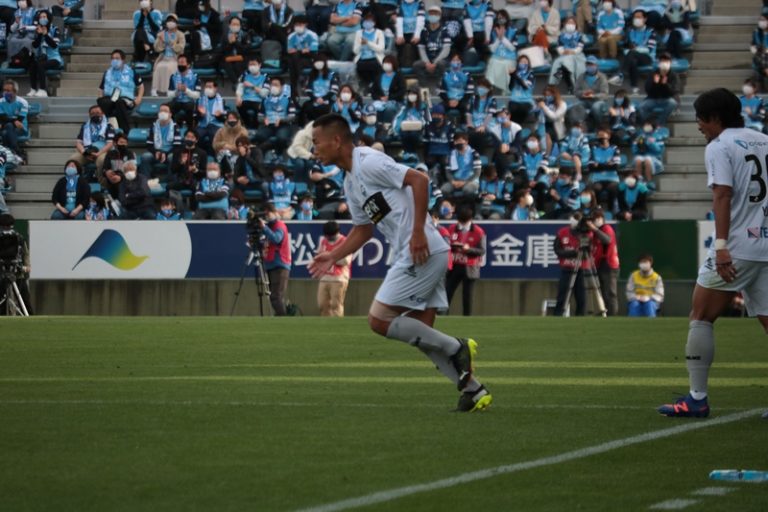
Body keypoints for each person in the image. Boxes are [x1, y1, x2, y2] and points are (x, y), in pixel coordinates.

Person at [308, 113, 492, 412]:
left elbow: (419, 179)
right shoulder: (350, 183)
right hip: (422, 251)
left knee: (379, 319)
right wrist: (332, 254)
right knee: (422, 334)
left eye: (317, 142)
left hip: (421, 249)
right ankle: (474, 390)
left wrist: (418, 231)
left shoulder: (368, 161)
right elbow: (363, 230)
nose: (314, 149)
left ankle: (457, 347)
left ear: (337, 140)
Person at [657, 88, 768, 419]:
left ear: (715, 118)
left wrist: (721, 246)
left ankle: (697, 398)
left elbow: (722, 194)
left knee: (701, 316)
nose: (699, 125)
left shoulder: (719, 146)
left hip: (737, 247)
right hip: (766, 243)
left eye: (701, 119)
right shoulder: (764, 140)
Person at [553, 211, 609, 316]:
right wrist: (574, 253)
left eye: (578, 219)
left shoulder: (589, 233)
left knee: (582, 298)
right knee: (562, 296)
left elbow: (606, 240)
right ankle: (558, 315)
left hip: (583, 269)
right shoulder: (562, 232)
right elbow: (557, 250)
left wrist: (593, 228)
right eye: (574, 218)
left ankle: (580, 316)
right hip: (567, 268)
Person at [445, 206, 485, 316]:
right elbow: (445, 245)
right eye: (460, 222)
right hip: (454, 265)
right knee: (447, 292)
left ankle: (467, 317)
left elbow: (482, 251)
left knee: (467, 295)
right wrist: (452, 246)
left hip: (470, 266)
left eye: (464, 223)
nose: (461, 225)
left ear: (470, 219)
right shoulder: (452, 228)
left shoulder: (478, 232)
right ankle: (443, 315)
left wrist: (468, 249)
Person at [98, 49, 144, 135]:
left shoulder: (131, 71)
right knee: (101, 101)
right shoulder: (107, 73)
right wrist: (101, 99)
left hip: (125, 99)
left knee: (119, 102)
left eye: (117, 58)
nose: (114, 60)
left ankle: (124, 131)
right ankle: (112, 127)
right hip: (110, 99)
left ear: (123, 60)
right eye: (112, 58)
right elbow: (101, 89)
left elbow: (140, 86)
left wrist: (139, 98)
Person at [260, 202, 292, 316]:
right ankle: (281, 316)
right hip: (271, 264)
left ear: (274, 213)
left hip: (280, 264)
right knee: (274, 296)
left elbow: (276, 239)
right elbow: (267, 243)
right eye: (265, 215)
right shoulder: (270, 227)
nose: (267, 217)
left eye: (268, 214)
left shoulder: (279, 225)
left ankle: (283, 319)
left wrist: (264, 228)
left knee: (276, 296)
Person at [69, 104, 115, 178]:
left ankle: (102, 182)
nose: (95, 115)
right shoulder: (85, 126)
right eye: (92, 113)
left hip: (102, 152)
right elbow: (78, 143)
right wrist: (84, 153)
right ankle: (76, 182)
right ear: (89, 115)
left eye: (97, 113)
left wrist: (98, 153)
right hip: (87, 152)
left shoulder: (109, 126)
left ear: (102, 113)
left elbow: (110, 144)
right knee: (73, 161)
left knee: (102, 161)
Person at [316, 220, 351, 316]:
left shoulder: (345, 242)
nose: (328, 238)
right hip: (324, 277)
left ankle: (338, 322)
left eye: (330, 236)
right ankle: (325, 323)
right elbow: (319, 256)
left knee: (336, 305)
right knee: (322, 305)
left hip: (339, 278)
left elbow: (345, 261)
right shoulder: (323, 241)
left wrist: (330, 258)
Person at [0, 213, 32, 314]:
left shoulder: (19, 238)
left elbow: (25, 253)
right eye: (4, 227)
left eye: (9, 227)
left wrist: (27, 266)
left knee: (25, 300)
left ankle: (30, 316)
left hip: (17, 272)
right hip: (1, 273)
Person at [413, 7, 452, 88]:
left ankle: (439, 86)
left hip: (440, 59)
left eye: (435, 13)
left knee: (441, 64)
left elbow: (446, 49)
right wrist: (427, 62)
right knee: (416, 64)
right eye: (431, 14)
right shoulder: (424, 30)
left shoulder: (445, 30)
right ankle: (423, 87)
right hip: (427, 60)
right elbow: (421, 48)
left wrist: (435, 62)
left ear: (440, 15)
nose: (433, 15)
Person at [638, 52, 679, 126]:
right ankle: (649, 123)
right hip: (653, 99)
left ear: (670, 62)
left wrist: (665, 84)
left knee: (672, 103)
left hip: (667, 99)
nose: (664, 63)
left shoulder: (674, 75)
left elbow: (674, 91)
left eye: (666, 61)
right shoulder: (653, 73)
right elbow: (648, 90)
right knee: (641, 106)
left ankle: (659, 123)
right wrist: (655, 83)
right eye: (662, 61)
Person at [141, 103, 181, 179]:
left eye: (165, 111)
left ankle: (171, 180)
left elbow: (177, 146)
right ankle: (146, 180)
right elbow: (149, 145)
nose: (163, 113)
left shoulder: (175, 126)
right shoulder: (153, 126)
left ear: (170, 114)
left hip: (169, 153)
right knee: (145, 157)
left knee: (172, 157)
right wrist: (156, 152)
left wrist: (165, 153)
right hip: (156, 152)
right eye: (161, 111)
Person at [29, 10, 62, 98]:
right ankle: (33, 89)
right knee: (32, 65)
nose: (42, 19)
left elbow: (54, 45)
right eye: (41, 17)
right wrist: (40, 34)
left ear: (48, 18)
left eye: (44, 17)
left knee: (41, 65)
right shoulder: (37, 30)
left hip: (54, 58)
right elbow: (35, 45)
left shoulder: (55, 29)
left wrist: (46, 34)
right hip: (42, 57)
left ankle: (43, 90)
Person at [592, 210, 619, 316]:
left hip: (609, 264)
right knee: (603, 291)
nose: (594, 222)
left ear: (601, 219)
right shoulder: (597, 231)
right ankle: (605, 311)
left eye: (595, 219)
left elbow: (607, 240)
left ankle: (612, 314)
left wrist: (594, 229)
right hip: (600, 263)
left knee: (610, 292)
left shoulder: (606, 228)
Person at [548, 16, 585, 92]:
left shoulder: (579, 35)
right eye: (568, 22)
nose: (570, 24)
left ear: (576, 25)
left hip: (577, 56)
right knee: (558, 65)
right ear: (565, 24)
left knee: (575, 66)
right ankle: (555, 84)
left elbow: (580, 47)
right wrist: (563, 52)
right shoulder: (561, 36)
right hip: (564, 55)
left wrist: (573, 51)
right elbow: (559, 47)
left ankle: (575, 85)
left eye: (572, 23)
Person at [151, 13, 184, 97]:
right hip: (163, 58)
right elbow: (156, 48)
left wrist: (170, 42)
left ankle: (170, 89)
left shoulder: (180, 34)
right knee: (158, 67)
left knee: (168, 68)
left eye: (173, 21)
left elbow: (180, 48)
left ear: (176, 23)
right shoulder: (161, 34)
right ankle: (154, 89)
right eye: (169, 21)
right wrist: (161, 40)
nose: (170, 22)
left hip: (174, 58)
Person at [485, 11, 518, 95]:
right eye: (499, 18)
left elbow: (512, 48)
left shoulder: (513, 30)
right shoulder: (493, 31)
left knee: (506, 65)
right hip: (496, 57)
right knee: (492, 64)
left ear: (507, 18)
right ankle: (489, 88)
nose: (501, 19)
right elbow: (492, 50)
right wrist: (498, 39)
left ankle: (506, 90)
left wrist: (502, 38)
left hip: (509, 58)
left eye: (503, 17)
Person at [442, 131, 481, 198]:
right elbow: (447, 172)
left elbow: (477, 173)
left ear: (466, 142)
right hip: (455, 181)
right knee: (444, 189)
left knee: (467, 190)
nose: (458, 143)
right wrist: (452, 181)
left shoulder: (474, 154)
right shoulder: (450, 154)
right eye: (456, 141)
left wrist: (464, 182)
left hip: (471, 181)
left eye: (460, 141)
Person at [286, 15, 318, 95]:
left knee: (294, 59)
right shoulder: (291, 36)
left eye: (300, 24)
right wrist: (302, 50)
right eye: (296, 25)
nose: (298, 27)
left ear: (305, 24)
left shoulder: (312, 35)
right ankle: (300, 78)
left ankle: (294, 88)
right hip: (296, 58)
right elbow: (290, 51)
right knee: (293, 59)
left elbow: (313, 50)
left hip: (309, 58)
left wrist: (300, 51)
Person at [353, 12, 385, 93]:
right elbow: (355, 51)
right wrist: (361, 45)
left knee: (373, 65)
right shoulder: (359, 33)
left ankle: (374, 87)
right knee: (360, 66)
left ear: (374, 23)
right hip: (362, 58)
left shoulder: (379, 33)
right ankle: (366, 86)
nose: (367, 23)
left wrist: (368, 43)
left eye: (370, 21)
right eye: (366, 21)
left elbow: (381, 49)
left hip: (375, 58)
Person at [168, 54, 201, 128]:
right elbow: (169, 94)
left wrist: (186, 90)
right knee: (166, 108)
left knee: (190, 108)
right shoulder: (173, 76)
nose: (180, 65)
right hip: (177, 101)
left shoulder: (195, 77)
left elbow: (197, 95)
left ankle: (190, 129)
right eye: (179, 63)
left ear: (188, 65)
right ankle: (172, 128)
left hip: (190, 101)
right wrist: (176, 92)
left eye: (182, 62)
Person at [0, 79, 28, 161]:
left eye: (8, 91)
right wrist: (13, 120)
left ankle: (9, 154)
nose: (5, 93)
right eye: (4, 90)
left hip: (20, 128)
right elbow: (2, 118)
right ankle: (17, 152)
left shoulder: (23, 102)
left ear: (15, 92)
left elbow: (19, 120)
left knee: (7, 129)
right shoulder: (0, 102)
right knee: (6, 130)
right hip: (5, 127)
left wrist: (7, 121)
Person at [195, 79, 225, 154]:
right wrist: (201, 114)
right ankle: (200, 154)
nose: (207, 88)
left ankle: (214, 155)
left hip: (216, 124)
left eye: (210, 87)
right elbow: (196, 117)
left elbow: (223, 119)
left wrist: (219, 116)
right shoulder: (199, 100)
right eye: (206, 87)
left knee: (215, 135)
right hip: (203, 125)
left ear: (215, 88)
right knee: (196, 135)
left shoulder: (221, 100)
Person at [395, 0, 425, 68]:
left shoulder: (420, 3)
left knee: (417, 45)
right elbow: (399, 20)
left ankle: (416, 67)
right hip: (403, 32)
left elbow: (421, 20)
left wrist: (417, 35)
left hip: (416, 32)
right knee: (398, 44)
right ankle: (399, 68)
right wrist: (400, 35)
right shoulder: (400, 3)